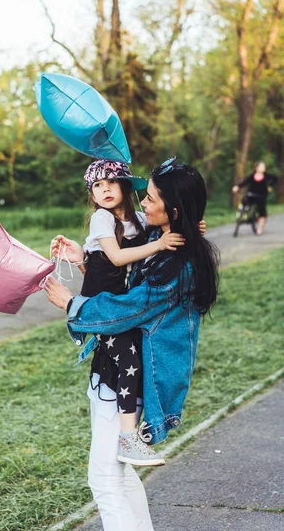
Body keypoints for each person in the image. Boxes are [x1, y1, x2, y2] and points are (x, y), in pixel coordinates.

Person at [45, 158, 219, 531]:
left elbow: (128, 309)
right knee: (120, 477)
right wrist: (85, 262)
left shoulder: (177, 263)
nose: (143, 202)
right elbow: (125, 285)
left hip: (131, 375)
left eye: (151, 198)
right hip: (116, 366)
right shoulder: (166, 245)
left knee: (104, 480)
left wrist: (71, 304)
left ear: (172, 210)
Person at [73, 159, 186, 466]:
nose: (105, 189)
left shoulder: (137, 219)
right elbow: (117, 257)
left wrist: (190, 226)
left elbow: (166, 223)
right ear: (92, 195)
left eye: (111, 182)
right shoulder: (101, 219)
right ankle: (127, 437)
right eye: (97, 185)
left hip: (120, 301)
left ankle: (131, 431)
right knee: (129, 357)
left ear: (125, 185)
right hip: (100, 304)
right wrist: (160, 245)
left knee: (133, 354)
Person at [232, 162, 278, 235]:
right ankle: (242, 215)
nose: (264, 168)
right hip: (251, 195)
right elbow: (245, 182)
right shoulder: (252, 176)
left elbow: (275, 179)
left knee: (262, 210)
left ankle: (259, 229)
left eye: (264, 166)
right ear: (256, 168)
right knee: (245, 199)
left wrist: (270, 186)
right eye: (262, 166)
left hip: (261, 196)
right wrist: (237, 187)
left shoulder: (266, 176)